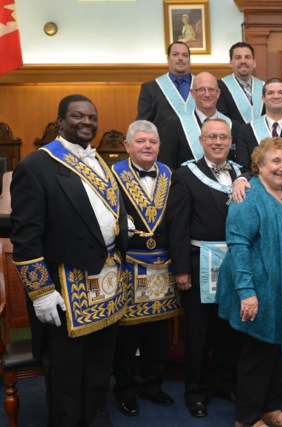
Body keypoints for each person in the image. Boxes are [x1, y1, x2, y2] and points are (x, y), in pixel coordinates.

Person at [10, 94, 128, 426]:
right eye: (77, 116)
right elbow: (25, 237)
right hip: (65, 287)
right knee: (66, 376)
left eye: (92, 117)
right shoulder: (35, 166)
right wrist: (41, 291)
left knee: (98, 369)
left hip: (105, 284)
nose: (86, 122)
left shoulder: (101, 161)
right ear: (60, 121)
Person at [218, 137, 282, 427]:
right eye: (275, 161)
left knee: (277, 355)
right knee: (258, 356)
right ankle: (246, 419)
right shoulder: (249, 196)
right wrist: (246, 292)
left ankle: (269, 408)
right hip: (260, 293)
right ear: (259, 165)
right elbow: (238, 245)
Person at [167, 118, 243, 418]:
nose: (217, 142)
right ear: (201, 140)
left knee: (229, 329)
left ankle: (224, 382)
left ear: (230, 140)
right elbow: (178, 225)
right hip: (199, 264)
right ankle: (195, 392)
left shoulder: (240, 172)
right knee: (199, 333)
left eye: (223, 137)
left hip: (236, 264)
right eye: (211, 137)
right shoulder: (185, 175)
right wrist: (181, 268)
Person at [111, 120, 181, 417]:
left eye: (152, 141)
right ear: (127, 146)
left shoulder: (170, 174)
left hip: (163, 264)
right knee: (126, 337)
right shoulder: (112, 174)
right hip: (127, 264)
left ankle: (153, 385)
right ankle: (126, 390)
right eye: (140, 141)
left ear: (159, 146)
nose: (147, 146)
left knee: (157, 334)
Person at [158, 71, 241, 168]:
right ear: (192, 93)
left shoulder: (234, 126)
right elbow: (166, 167)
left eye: (211, 90)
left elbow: (239, 166)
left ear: (218, 93)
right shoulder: (175, 125)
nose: (207, 94)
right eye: (201, 90)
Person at [235, 77, 282, 171]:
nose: (276, 96)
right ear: (263, 98)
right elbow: (243, 167)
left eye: (281, 92)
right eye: (270, 93)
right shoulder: (246, 130)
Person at [136, 41, 194, 127]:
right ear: (168, 59)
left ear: (189, 60)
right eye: (175, 54)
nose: (180, 58)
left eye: (185, 55)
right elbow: (143, 124)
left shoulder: (204, 86)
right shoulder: (150, 88)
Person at [217, 42, 265, 124]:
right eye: (238, 57)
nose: (243, 61)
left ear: (254, 63)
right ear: (230, 63)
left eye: (247, 57)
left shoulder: (265, 87)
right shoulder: (219, 86)